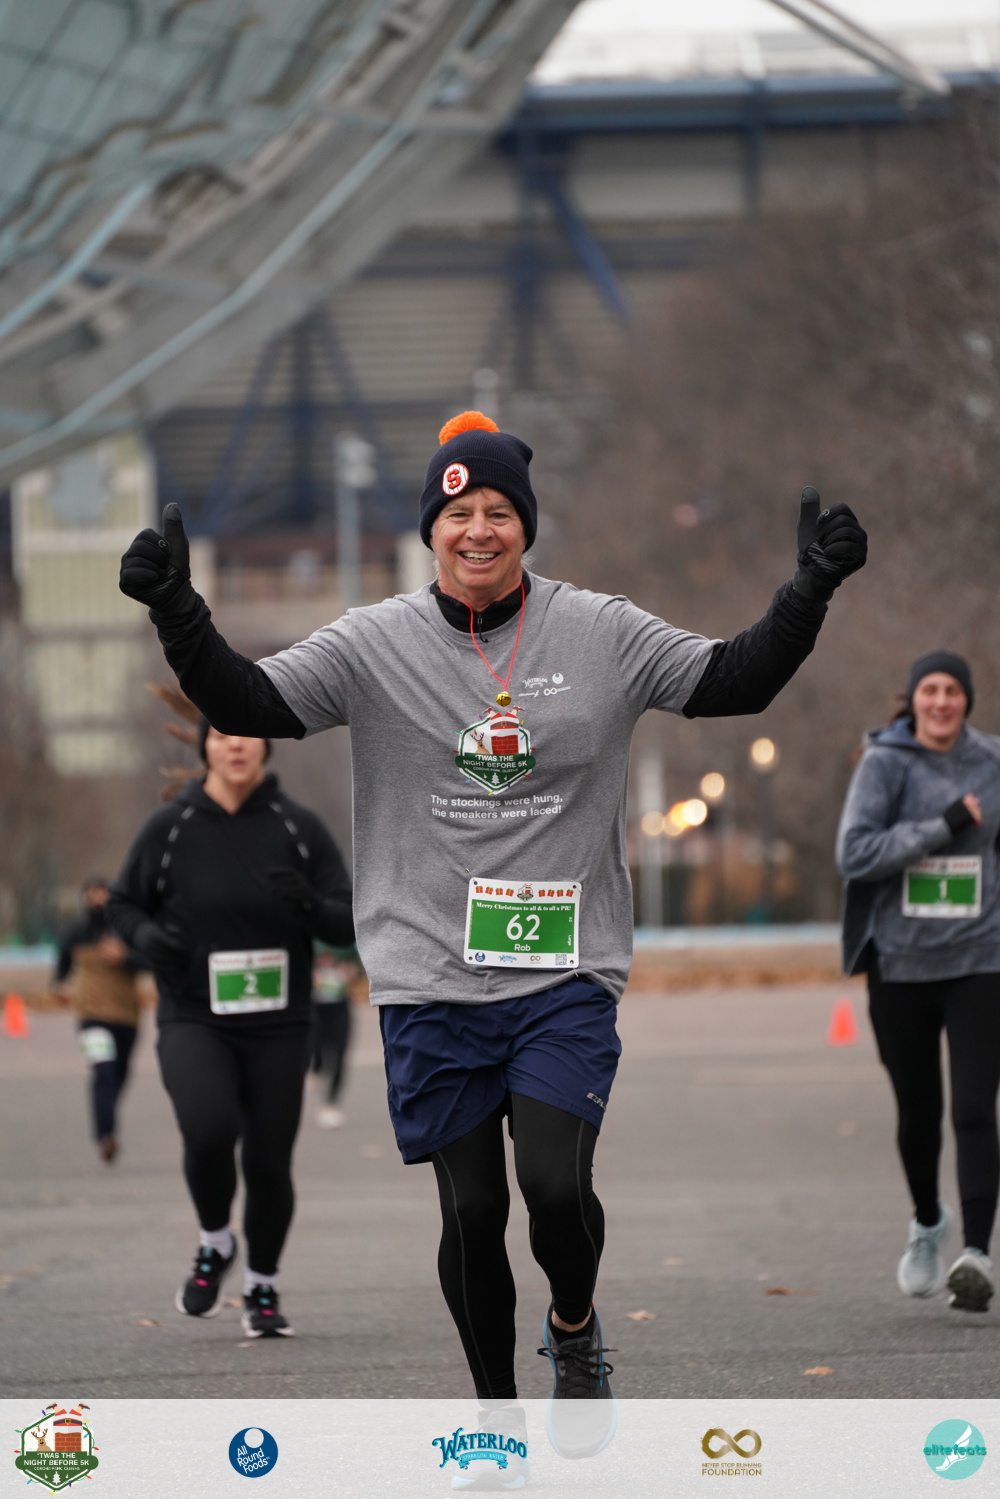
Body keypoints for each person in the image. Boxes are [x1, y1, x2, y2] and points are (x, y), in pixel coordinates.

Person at [118, 411, 865, 1451]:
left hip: (562, 972)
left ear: (526, 524)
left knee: (554, 1187)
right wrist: (176, 609)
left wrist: (809, 590)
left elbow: (735, 678)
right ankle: (494, 1412)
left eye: (499, 511)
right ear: (431, 528)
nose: (479, 529)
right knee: (471, 1211)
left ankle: (575, 1325)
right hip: (428, 973)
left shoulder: (599, 630)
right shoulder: (373, 644)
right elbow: (247, 697)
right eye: (458, 511)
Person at [107, 719, 353, 1338]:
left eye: (244, 734)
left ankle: (262, 1286)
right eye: (219, 735)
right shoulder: (171, 826)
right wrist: (146, 937)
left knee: (269, 1160)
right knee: (208, 1128)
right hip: (194, 1012)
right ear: (205, 748)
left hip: (279, 1022)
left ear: (265, 744)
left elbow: (347, 919)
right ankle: (215, 1241)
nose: (234, 744)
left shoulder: (298, 826)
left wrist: (309, 906)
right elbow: (122, 904)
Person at [837, 651, 1000, 1315]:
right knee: (919, 1113)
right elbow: (855, 853)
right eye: (930, 689)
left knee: (974, 1108)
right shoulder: (885, 763)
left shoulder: (992, 762)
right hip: (900, 965)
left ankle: (977, 1255)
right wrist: (942, 826)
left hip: (980, 958)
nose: (941, 701)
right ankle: (929, 1222)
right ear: (913, 700)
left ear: (966, 700)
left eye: (952, 690)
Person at [54, 878, 142, 1164]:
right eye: (92, 897)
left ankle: (107, 1120)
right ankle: (106, 1134)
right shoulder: (75, 931)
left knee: (119, 1074)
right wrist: (59, 984)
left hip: (127, 1016)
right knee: (103, 1072)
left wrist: (125, 957)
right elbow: (62, 965)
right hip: (90, 1016)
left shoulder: (128, 929)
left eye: (102, 897)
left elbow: (152, 962)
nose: (97, 903)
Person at [310, 947, 359, 1128]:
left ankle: (331, 1104)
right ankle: (314, 1076)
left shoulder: (345, 960)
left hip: (339, 1012)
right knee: (318, 1055)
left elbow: (357, 976)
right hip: (316, 1012)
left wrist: (351, 974)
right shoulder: (312, 961)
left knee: (338, 1057)